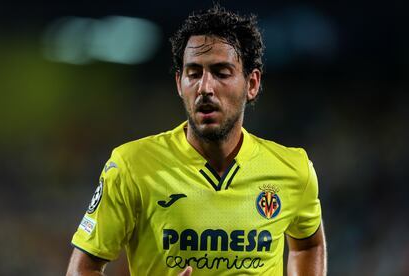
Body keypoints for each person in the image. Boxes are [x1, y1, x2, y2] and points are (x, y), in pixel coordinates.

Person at [66, 5, 327, 276]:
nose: (205, 87)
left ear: (252, 83)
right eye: (194, 73)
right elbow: (82, 270)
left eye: (221, 72)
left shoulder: (293, 169)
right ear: (180, 84)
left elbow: (307, 245)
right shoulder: (130, 166)